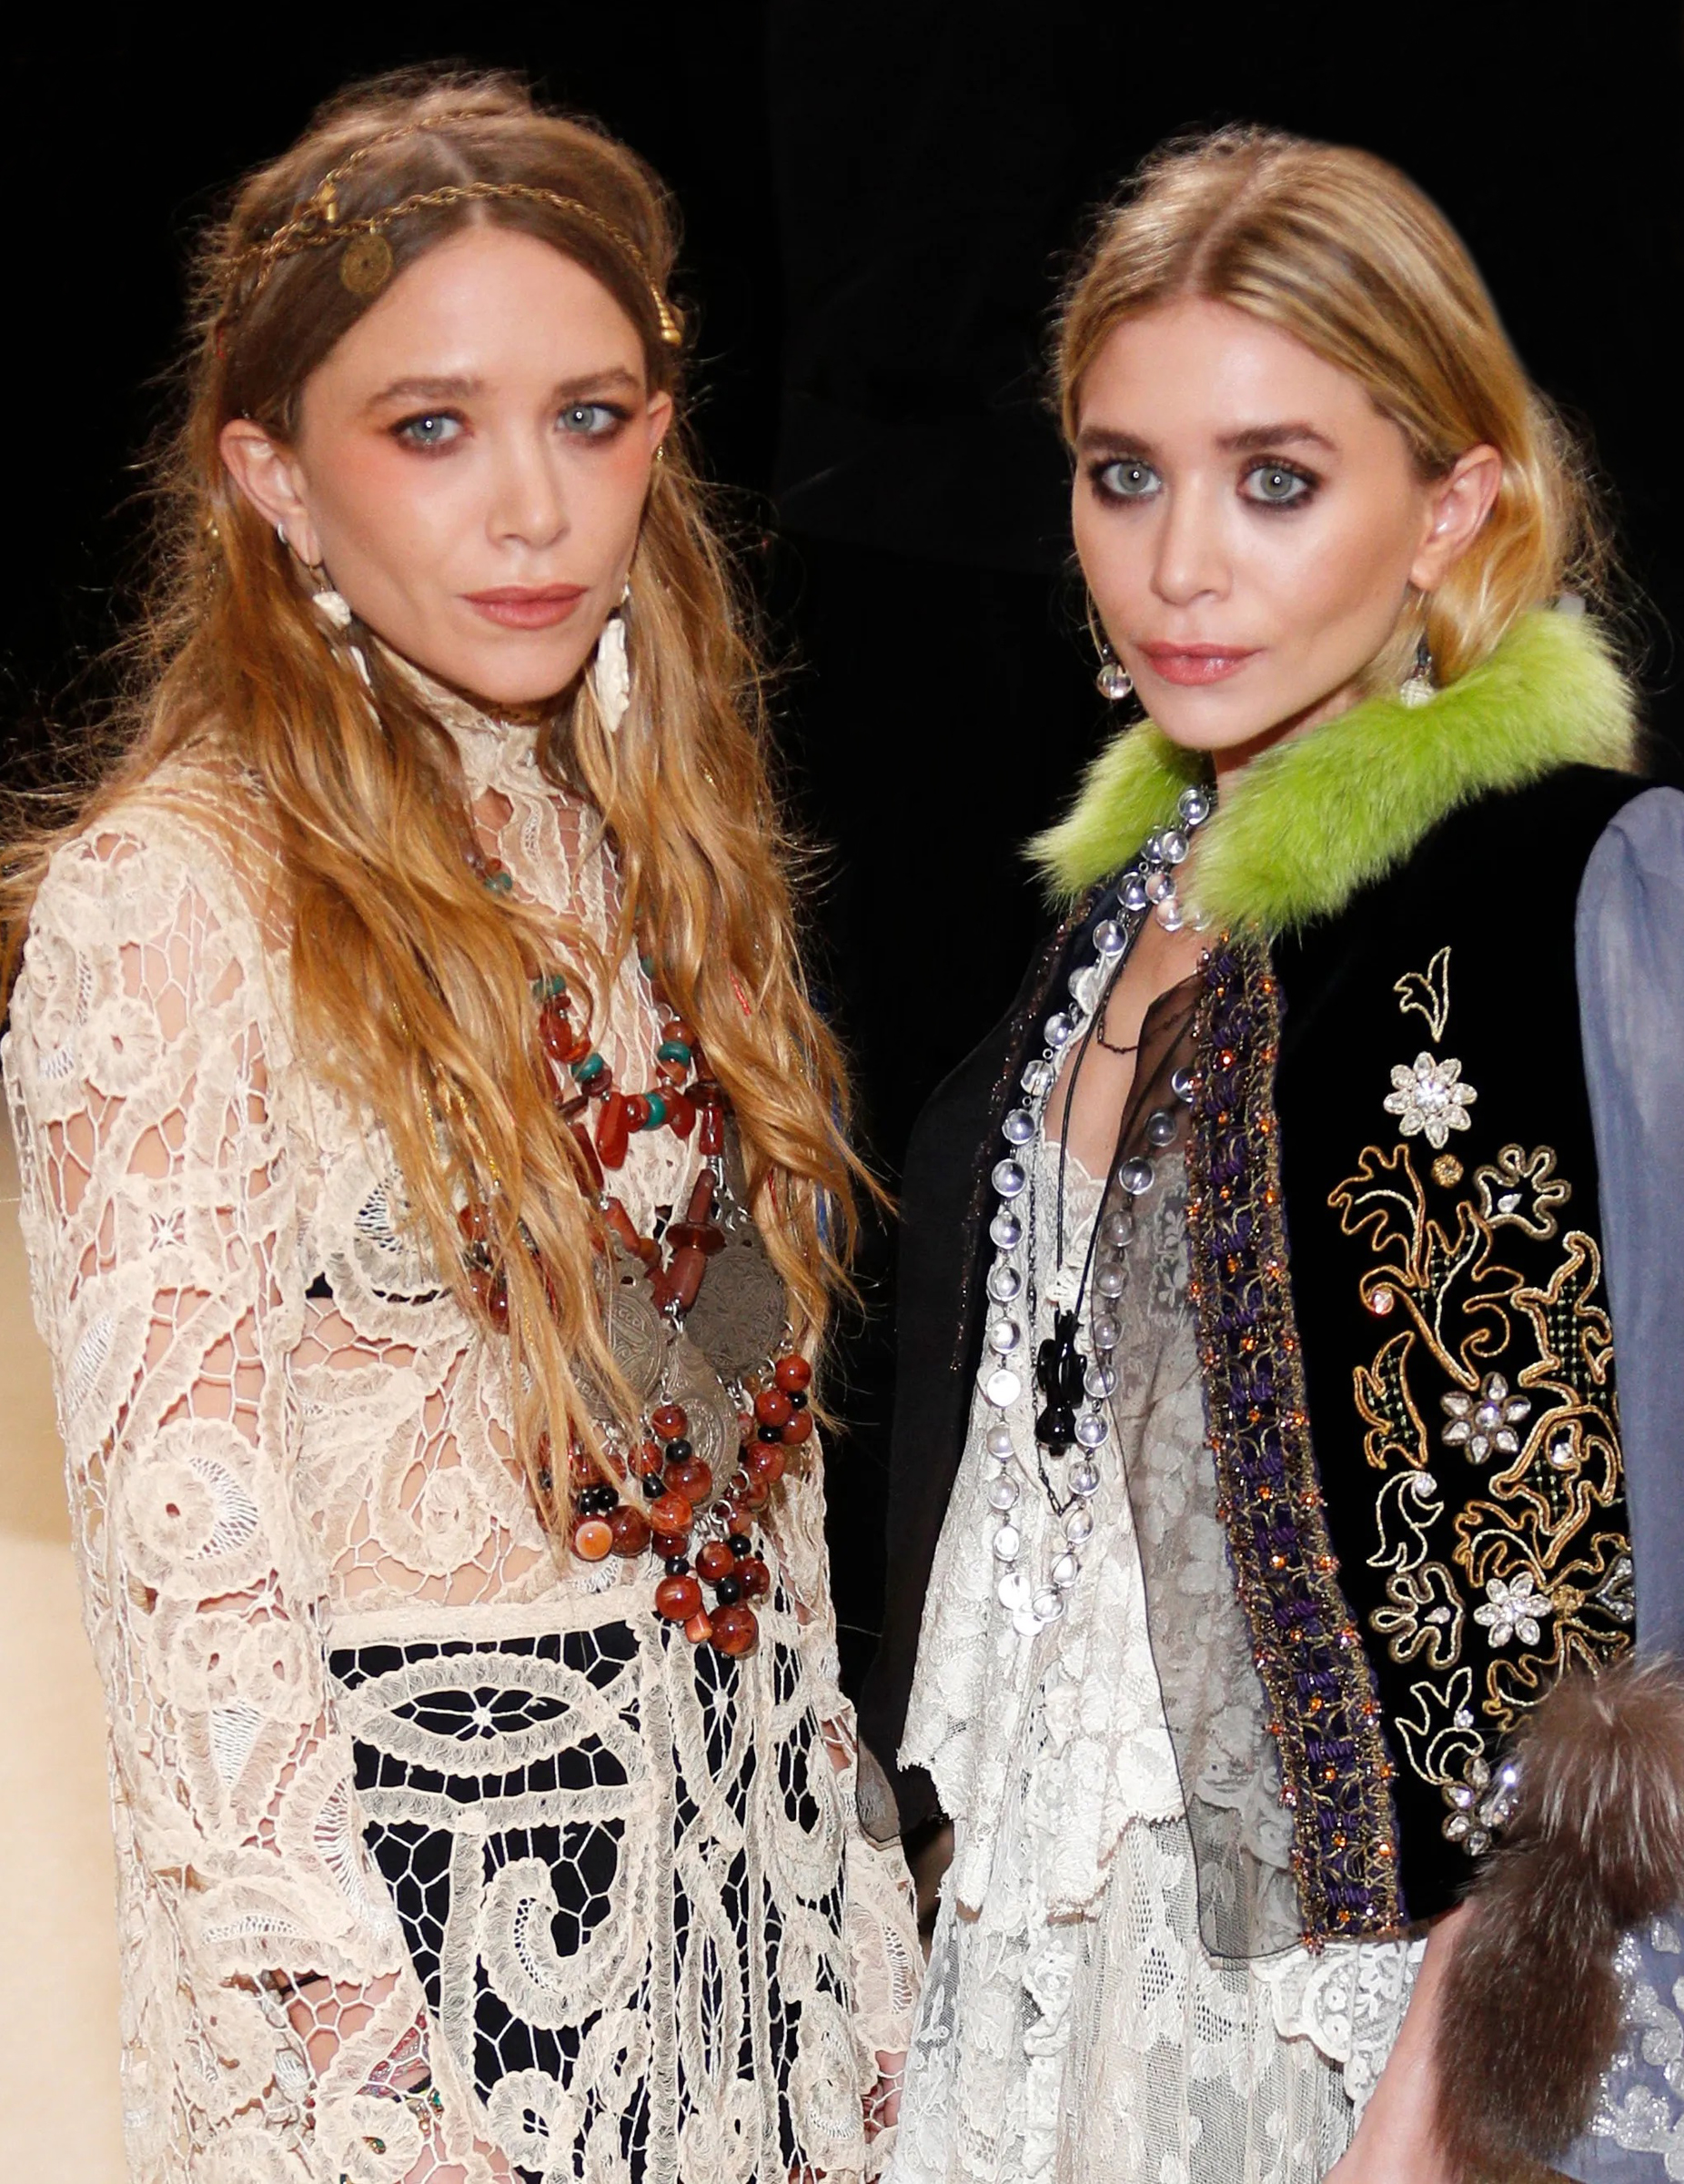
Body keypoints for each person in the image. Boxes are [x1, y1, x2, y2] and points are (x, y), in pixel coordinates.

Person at [1, 71, 919, 2184]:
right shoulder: (179, 900)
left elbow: (751, 1477)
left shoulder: (671, 871)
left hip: (755, 1965)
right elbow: (194, 1599)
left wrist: (860, 1962)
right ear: (271, 475)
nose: (532, 510)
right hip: (426, 1996)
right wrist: (384, 2115)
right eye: (431, 428)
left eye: (588, 419)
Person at [866, 126, 1684, 2184]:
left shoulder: (1573, 892)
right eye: (1123, 473)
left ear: (1450, 505)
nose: (1179, 566)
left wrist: (1472, 2068)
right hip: (1035, 1971)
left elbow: (1643, 1567)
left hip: (1357, 2020)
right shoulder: (1107, 912)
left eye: (1277, 479)